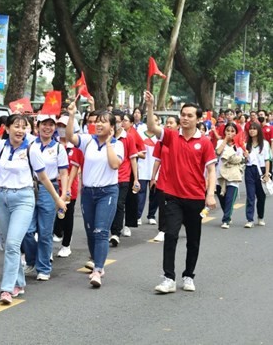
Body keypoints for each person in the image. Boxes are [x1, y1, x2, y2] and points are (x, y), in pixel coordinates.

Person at [0, 112, 66, 303]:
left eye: (24, 126)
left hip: (24, 198)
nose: (20, 130)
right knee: (9, 244)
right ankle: (19, 282)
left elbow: (43, 178)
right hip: (2, 199)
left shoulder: (32, 149)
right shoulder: (1, 146)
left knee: (14, 244)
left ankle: (6, 289)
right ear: (7, 129)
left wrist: (57, 199)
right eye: (16, 126)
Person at [144, 91, 217, 294]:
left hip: (195, 197)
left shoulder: (204, 142)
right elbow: (151, 128)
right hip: (173, 196)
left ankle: (188, 275)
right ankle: (168, 277)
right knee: (171, 235)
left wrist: (210, 193)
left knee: (193, 239)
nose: (185, 118)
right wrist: (150, 106)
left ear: (198, 119)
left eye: (189, 115)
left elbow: (211, 170)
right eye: (183, 114)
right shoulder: (170, 136)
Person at [65, 101, 123, 288]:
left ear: (112, 127)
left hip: (108, 192)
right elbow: (69, 137)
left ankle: (98, 269)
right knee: (91, 232)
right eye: (97, 122)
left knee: (101, 231)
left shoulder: (117, 145)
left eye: (104, 122)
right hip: (88, 192)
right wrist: (72, 115)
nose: (99, 125)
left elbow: (115, 164)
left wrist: (107, 144)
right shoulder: (87, 140)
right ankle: (97, 262)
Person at [22, 114, 69, 281]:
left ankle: (43, 267)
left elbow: (64, 173)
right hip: (29, 188)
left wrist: (62, 195)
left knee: (45, 232)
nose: (47, 128)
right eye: (44, 124)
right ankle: (31, 259)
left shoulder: (58, 148)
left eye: (51, 125)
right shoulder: (29, 145)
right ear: (37, 126)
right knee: (27, 231)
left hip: (50, 191)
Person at [53, 115, 84, 258]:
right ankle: (57, 233)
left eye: (64, 126)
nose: (61, 129)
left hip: (69, 186)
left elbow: (76, 168)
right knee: (53, 214)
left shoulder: (76, 147)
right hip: (52, 185)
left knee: (67, 214)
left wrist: (68, 188)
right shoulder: (53, 143)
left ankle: (66, 245)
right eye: (59, 126)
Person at [109, 110, 139, 247]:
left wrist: (136, 179)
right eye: (113, 121)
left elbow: (133, 159)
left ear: (122, 122)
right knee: (109, 206)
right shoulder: (105, 137)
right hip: (108, 177)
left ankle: (115, 233)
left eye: (117, 121)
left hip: (123, 177)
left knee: (119, 204)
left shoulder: (129, 138)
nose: (115, 124)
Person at [149, 115, 180, 242]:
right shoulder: (161, 142)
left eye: (171, 123)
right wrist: (153, 177)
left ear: (178, 126)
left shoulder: (181, 140)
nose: (168, 125)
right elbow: (157, 160)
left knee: (177, 206)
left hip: (178, 180)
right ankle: (162, 230)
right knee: (163, 206)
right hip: (163, 179)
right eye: (167, 122)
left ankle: (177, 224)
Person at [215, 123, 245, 229]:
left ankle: (226, 220)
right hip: (220, 175)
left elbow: (241, 159)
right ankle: (227, 214)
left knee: (229, 198)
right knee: (222, 197)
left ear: (236, 133)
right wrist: (225, 140)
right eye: (228, 130)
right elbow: (218, 152)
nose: (230, 133)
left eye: (232, 131)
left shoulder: (239, 146)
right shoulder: (220, 142)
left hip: (233, 176)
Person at [244, 122, 270, 227]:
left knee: (261, 196)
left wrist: (267, 174)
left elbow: (267, 159)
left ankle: (260, 217)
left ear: (258, 130)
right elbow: (244, 161)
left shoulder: (265, 143)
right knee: (250, 195)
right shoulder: (246, 144)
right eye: (250, 129)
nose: (252, 130)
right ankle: (250, 219)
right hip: (249, 170)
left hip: (261, 170)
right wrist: (245, 156)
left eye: (254, 129)